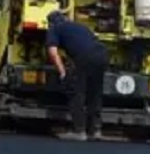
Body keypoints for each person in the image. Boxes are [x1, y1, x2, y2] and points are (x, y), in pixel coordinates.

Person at [45, 10, 108, 141]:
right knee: (94, 93)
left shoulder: (54, 28)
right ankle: (95, 130)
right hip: (102, 55)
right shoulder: (79, 26)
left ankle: (78, 131)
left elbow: (53, 53)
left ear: (50, 23)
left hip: (85, 57)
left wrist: (62, 72)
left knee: (76, 93)